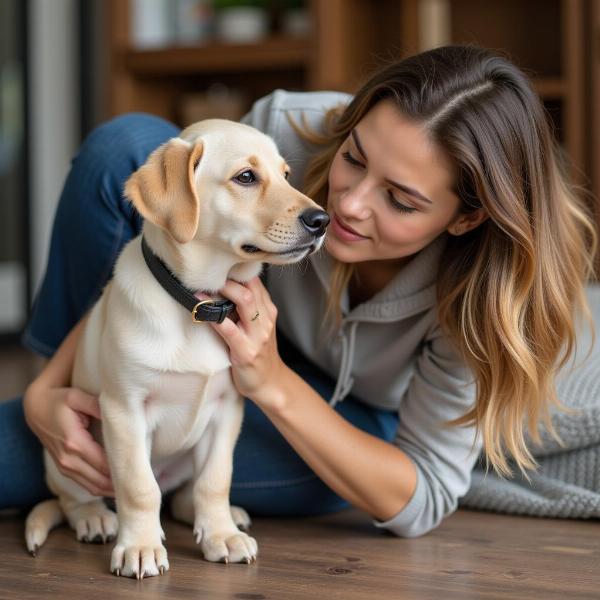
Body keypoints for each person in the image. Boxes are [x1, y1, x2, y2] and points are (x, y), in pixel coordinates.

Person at [1, 45, 596, 538]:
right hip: (168, 348)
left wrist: (272, 381)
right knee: (121, 148)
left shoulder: (487, 296)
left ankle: (156, 482)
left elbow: (422, 495)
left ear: (465, 219)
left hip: (326, 408)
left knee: (331, 474)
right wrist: (46, 394)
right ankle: (75, 407)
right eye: (353, 158)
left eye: (401, 200)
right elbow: (152, 268)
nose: (348, 205)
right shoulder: (283, 130)